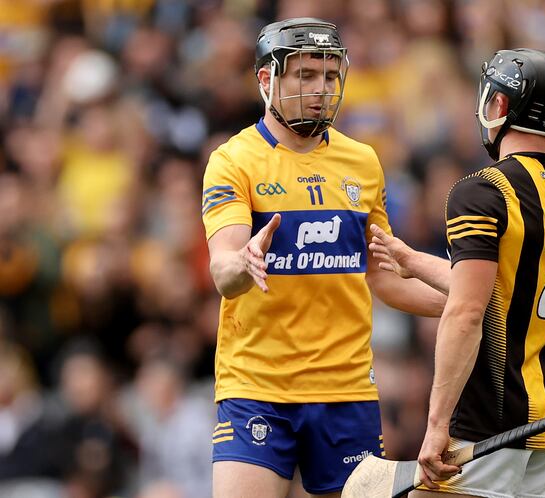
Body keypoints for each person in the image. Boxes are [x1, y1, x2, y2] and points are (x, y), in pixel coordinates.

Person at [201, 18, 446, 498]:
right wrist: (245, 263)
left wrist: (464, 306)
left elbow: (384, 277)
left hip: (345, 391)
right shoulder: (233, 161)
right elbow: (223, 270)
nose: (320, 89)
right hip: (257, 386)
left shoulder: (363, 162)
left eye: (329, 77)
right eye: (305, 75)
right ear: (266, 80)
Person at [369, 49, 545, 498]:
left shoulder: (482, 190)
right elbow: (510, 293)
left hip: (487, 422)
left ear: (499, 106)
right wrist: (414, 262)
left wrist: (436, 425)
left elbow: (468, 312)